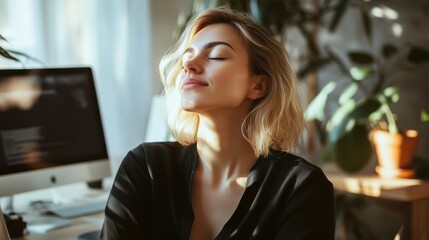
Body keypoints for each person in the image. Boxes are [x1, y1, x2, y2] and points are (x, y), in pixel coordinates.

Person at [101, 7, 335, 240]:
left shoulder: (301, 188)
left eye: (216, 56)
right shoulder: (145, 169)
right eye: (187, 56)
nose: (189, 65)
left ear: (258, 86)